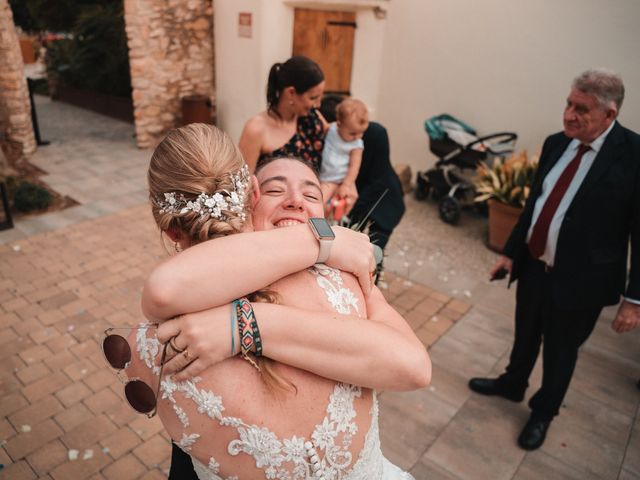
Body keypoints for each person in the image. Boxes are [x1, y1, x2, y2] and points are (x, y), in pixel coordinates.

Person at [128, 123, 430, 479]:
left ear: (169, 230)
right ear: (252, 196)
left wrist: (243, 325)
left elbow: (414, 367)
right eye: (275, 188)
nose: (296, 201)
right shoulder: (334, 264)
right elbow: (166, 287)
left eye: (312, 194)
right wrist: (322, 238)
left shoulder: (344, 282)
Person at [468, 69, 640, 451]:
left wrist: (635, 299)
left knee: (561, 351)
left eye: (582, 109)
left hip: (584, 281)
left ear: (609, 115)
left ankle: (543, 413)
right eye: (568, 103)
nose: (569, 115)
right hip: (534, 266)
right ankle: (513, 383)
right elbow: (535, 205)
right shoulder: (555, 143)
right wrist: (512, 254)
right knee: (525, 333)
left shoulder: (634, 156)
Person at [238, 55, 327, 172]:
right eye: (313, 98)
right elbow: (242, 182)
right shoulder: (255, 129)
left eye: (320, 97)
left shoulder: (312, 118)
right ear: (291, 93)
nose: (318, 105)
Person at [319, 98, 369, 216]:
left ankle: (339, 221)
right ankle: (322, 221)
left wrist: (346, 185)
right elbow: (321, 125)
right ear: (339, 124)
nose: (357, 137)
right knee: (319, 201)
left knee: (349, 199)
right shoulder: (331, 129)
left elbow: (354, 167)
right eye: (352, 133)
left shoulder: (356, 145)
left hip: (344, 179)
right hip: (326, 178)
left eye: (361, 133)